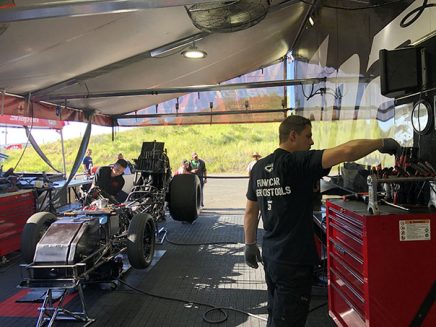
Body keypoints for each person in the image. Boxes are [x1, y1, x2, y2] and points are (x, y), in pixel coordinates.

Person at [243, 115, 400, 327]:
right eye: (308, 136)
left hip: (272, 257)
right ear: (293, 136)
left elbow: (251, 212)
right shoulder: (299, 163)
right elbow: (347, 151)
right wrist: (382, 143)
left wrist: (250, 245)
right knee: (287, 320)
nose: (312, 142)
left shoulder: (259, 168)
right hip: (295, 261)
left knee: (276, 313)